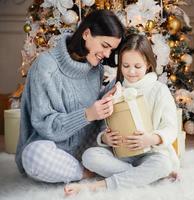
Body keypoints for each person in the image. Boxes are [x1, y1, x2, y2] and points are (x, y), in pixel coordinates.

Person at [15, 10, 125, 183]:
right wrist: (88, 114)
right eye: (105, 46)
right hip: (54, 150)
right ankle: (84, 172)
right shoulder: (46, 66)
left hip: (89, 149)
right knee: (33, 156)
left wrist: (108, 96)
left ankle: (94, 166)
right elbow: (45, 125)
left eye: (112, 49)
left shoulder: (96, 69)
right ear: (87, 34)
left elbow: (90, 107)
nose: (107, 55)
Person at [64, 34, 180, 195]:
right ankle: (145, 176)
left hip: (150, 153)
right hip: (121, 155)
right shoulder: (115, 89)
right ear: (120, 65)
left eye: (137, 66)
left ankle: (98, 186)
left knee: (163, 164)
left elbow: (170, 127)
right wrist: (105, 138)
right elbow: (105, 124)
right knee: (90, 156)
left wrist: (151, 138)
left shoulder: (159, 90)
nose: (131, 72)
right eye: (126, 66)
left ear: (147, 64)